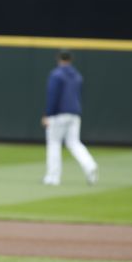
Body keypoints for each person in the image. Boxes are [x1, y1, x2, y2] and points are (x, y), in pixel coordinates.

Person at [41, 50, 98, 186]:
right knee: (74, 143)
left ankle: (52, 177)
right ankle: (90, 165)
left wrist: (48, 114)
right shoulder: (77, 75)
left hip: (59, 114)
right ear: (71, 60)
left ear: (58, 59)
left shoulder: (56, 75)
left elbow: (52, 96)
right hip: (74, 113)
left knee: (54, 143)